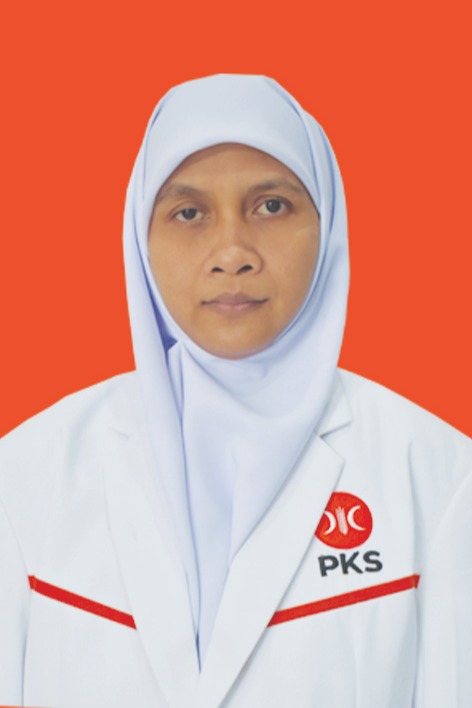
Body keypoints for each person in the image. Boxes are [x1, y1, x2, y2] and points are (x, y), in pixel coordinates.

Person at [0, 74, 470, 708]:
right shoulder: (27, 474)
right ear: (141, 238)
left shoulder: (439, 477)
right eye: (188, 213)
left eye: (271, 206)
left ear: (327, 225)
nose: (231, 253)